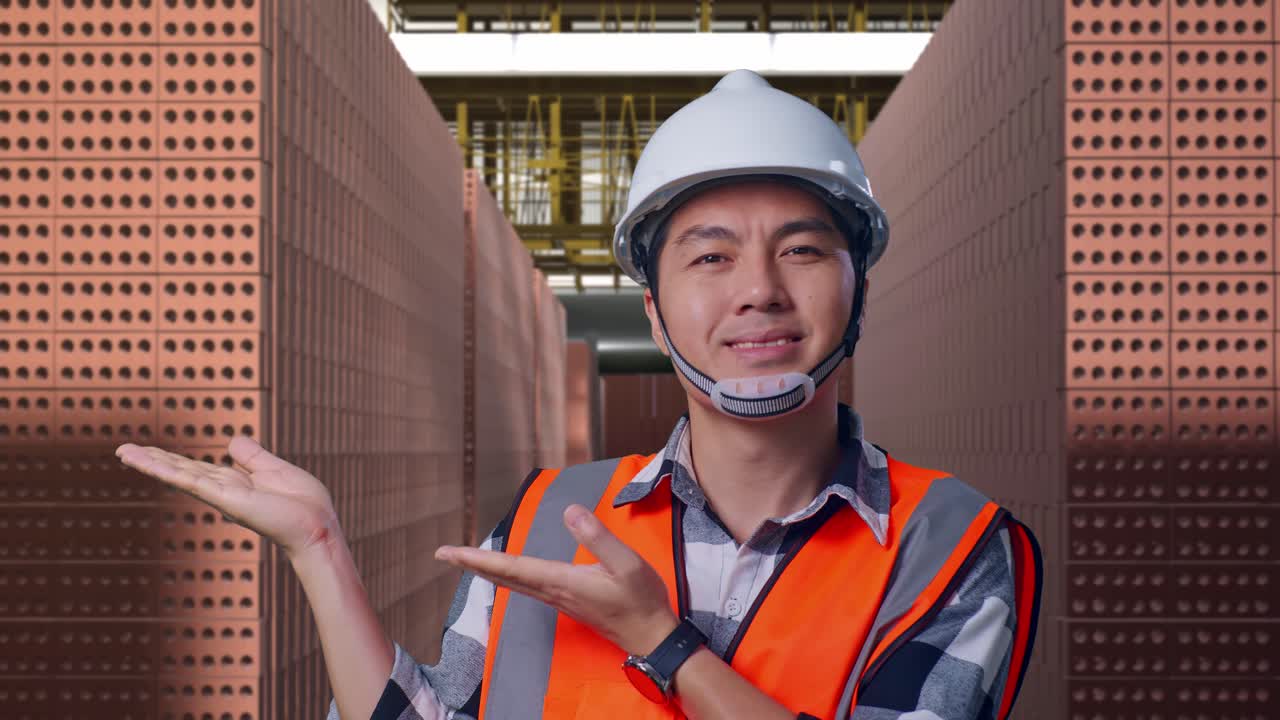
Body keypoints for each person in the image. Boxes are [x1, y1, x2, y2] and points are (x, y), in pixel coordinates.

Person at [115, 69, 1042, 720]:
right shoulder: (549, 515)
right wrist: (320, 552)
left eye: (802, 249)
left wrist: (657, 637)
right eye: (711, 256)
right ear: (654, 305)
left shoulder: (951, 545)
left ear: (858, 285)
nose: (759, 288)